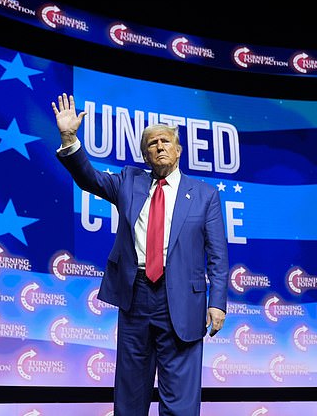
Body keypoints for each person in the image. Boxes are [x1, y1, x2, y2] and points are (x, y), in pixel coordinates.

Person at [51, 93, 229, 415]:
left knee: (181, 401)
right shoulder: (128, 181)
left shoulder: (205, 195)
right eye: (151, 144)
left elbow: (218, 255)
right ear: (145, 155)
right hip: (136, 297)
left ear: (178, 150)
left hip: (183, 302)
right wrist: (69, 139)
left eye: (165, 141)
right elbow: (89, 179)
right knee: (130, 397)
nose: (159, 146)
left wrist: (217, 303)